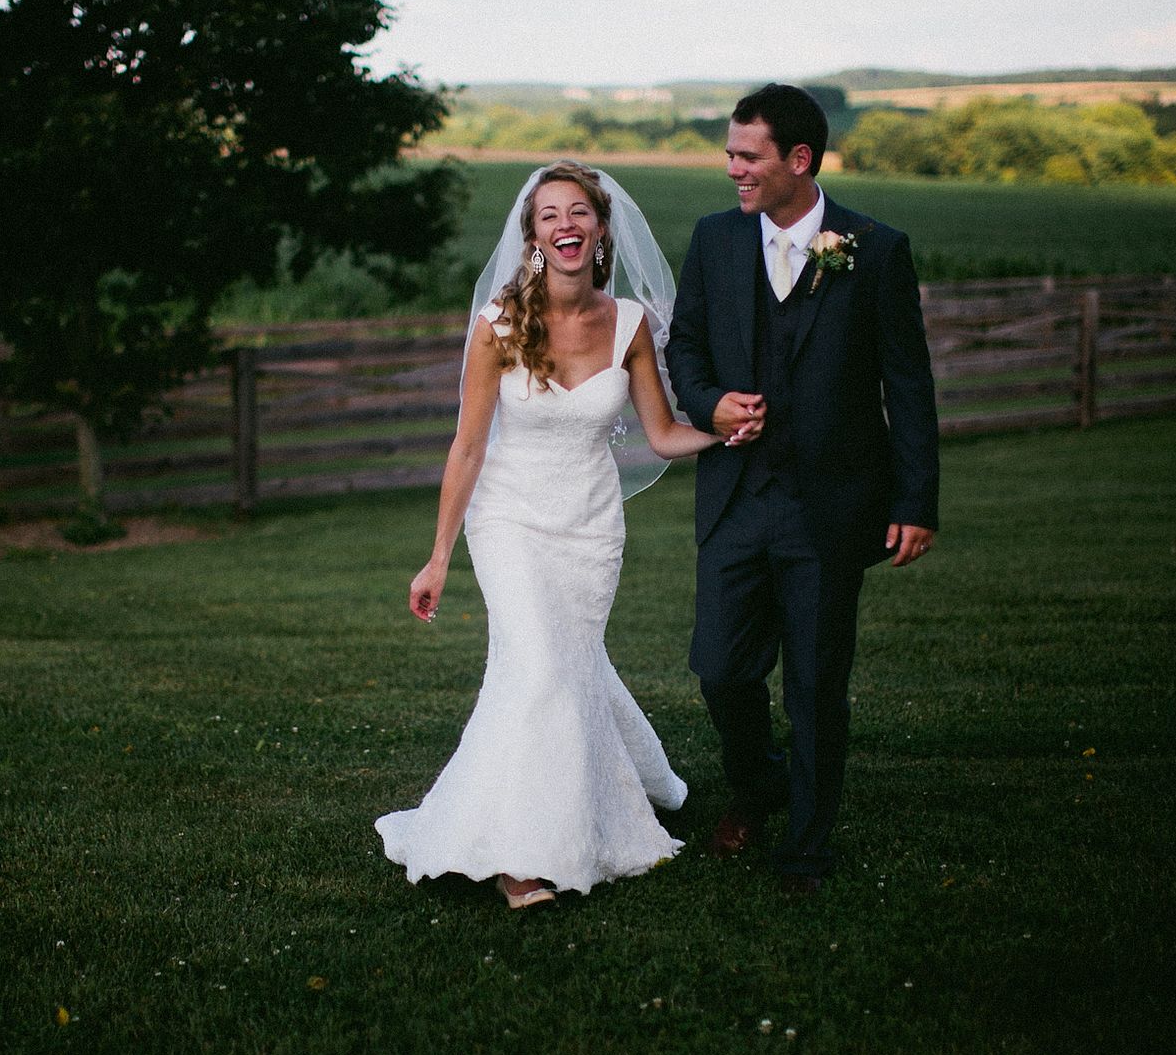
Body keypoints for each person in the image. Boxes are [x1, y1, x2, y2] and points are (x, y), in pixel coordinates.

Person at [375, 161, 721, 909]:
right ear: (532, 236)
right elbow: (467, 446)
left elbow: (661, 436)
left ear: (600, 229)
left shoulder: (628, 323)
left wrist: (726, 433)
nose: (565, 227)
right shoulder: (498, 323)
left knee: (567, 667)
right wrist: (437, 557)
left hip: (591, 528)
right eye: (549, 216)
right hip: (509, 518)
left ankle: (628, 792)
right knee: (536, 667)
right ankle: (520, 856)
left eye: (579, 214)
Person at [664, 84, 940, 896]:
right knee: (720, 670)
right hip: (737, 499)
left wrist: (915, 502)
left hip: (831, 505)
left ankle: (808, 847)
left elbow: (909, 385)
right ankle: (760, 786)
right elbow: (684, 347)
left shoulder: (875, 249)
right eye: (730, 154)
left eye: (746, 156)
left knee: (817, 685)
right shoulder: (715, 240)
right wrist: (708, 401)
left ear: (799, 160)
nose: (732, 170)